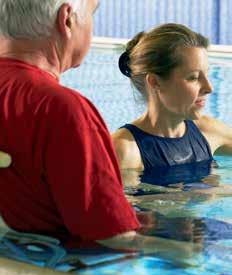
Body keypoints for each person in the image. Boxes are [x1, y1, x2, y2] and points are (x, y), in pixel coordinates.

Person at [0, 1, 199, 260]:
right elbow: (112, 237)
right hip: (56, 267)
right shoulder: (61, 108)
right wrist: (191, 252)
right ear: (67, 19)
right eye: (92, 15)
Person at [113, 23, 232, 178]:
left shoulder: (207, 130)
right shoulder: (125, 150)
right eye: (194, 78)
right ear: (155, 82)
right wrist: (209, 192)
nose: (209, 88)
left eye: (207, 75)